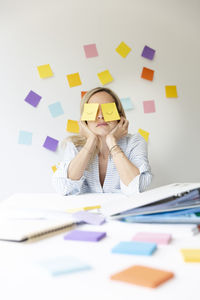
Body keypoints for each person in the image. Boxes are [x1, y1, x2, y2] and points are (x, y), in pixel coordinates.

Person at [52, 87, 152, 196]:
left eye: (108, 109)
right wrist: (91, 141)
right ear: (85, 120)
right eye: (93, 111)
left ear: (119, 116)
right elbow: (63, 188)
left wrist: (112, 142)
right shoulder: (74, 145)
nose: (100, 116)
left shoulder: (135, 142)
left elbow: (138, 186)